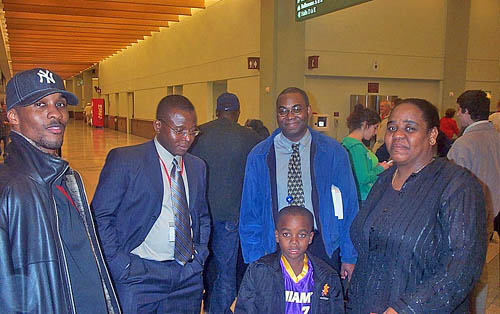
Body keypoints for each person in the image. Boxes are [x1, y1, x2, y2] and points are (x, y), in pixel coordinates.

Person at [347, 98, 487, 314]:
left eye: (410, 128)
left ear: (432, 135)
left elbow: (462, 269)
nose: (398, 135)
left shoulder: (457, 185)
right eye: (392, 128)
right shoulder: (383, 181)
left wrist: (403, 309)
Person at [0, 68, 120, 313]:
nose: (55, 113)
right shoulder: (10, 191)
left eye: (60, 104)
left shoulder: (66, 179)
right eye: (40, 104)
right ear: (13, 116)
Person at [92, 95, 210, 314]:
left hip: (187, 276)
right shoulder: (126, 160)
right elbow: (100, 216)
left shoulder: (197, 166)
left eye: (192, 131)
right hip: (140, 276)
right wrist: (120, 264)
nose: (187, 138)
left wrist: (199, 256)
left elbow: (202, 216)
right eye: (179, 130)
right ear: (157, 126)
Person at [239, 87, 359, 283]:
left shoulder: (334, 153)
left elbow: (349, 206)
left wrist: (349, 255)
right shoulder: (259, 156)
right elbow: (249, 213)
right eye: (283, 110)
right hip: (275, 245)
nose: (290, 116)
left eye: (296, 109)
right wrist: (255, 260)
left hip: (322, 244)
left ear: (309, 111)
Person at [190, 92, 260, 314]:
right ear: (238, 113)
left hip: (199, 215)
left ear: (216, 112)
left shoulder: (198, 133)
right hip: (231, 216)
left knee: (196, 267)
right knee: (226, 270)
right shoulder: (250, 137)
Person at [234, 206, 345, 314]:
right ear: (277, 236)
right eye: (286, 234)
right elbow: (244, 308)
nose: (294, 241)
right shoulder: (259, 271)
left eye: (301, 235)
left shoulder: (327, 276)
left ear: (310, 237)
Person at [447, 90, 500, 314]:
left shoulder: (464, 144)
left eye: (459, 110)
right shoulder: (497, 137)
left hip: (469, 218)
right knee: (481, 270)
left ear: (466, 111)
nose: (458, 115)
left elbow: (453, 189)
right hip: (493, 213)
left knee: (467, 273)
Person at [341, 105, 392, 203]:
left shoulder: (350, 143)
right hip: (363, 197)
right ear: (365, 125)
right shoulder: (355, 147)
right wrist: (381, 168)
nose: (376, 132)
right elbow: (363, 178)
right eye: (375, 128)